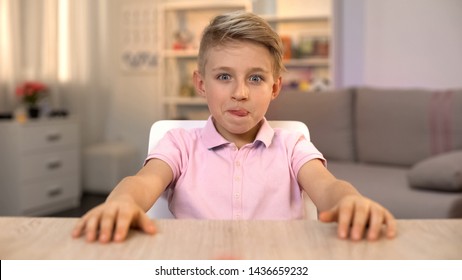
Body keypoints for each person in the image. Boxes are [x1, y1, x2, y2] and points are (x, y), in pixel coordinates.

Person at [72, 11, 396, 243]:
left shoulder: (292, 146)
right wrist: (121, 204)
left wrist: (348, 201)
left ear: (274, 87)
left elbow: (329, 188)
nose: (240, 92)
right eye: (224, 76)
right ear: (201, 83)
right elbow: (141, 184)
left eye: (255, 78)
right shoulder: (179, 144)